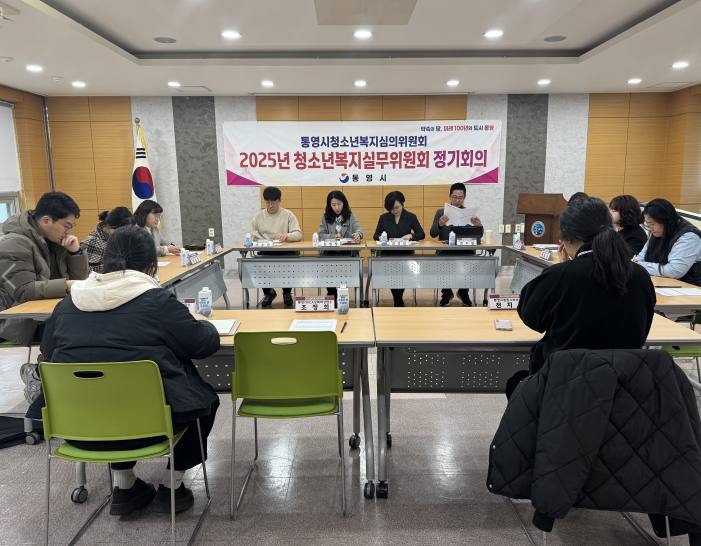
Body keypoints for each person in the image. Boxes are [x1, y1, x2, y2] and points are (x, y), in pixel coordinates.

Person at [29, 226, 220, 516]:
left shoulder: (68, 304)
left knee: (106, 395)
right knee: (204, 401)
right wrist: (202, 323)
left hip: (77, 428)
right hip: (149, 428)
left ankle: (125, 486)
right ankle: (172, 486)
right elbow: (202, 345)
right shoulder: (157, 301)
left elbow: (49, 352)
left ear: (105, 262)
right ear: (151, 267)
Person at [517, 197, 655, 374]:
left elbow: (531, 318)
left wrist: (563, 268)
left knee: (517, 380)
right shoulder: (641, 275)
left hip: (563, 379)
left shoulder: (561, 275)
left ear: (567, 237)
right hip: (624, 380)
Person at [0, 191, 89, 348]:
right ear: (46, 220)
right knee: (82, 329)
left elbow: (79, 281)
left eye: (71, 227)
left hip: (44, 314)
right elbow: (23, 291)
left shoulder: (54, 242)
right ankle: (50, 364)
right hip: (16, 323)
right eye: (66, 226)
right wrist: (67, 285)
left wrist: (75, 253)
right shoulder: (12, 244)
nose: (69, 232)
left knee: (92, 322)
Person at [429, 182, 482, 307]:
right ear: (449, 196)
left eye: (460, 198)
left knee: (470, 261)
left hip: (464, 249)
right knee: (442, 261)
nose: (457, 200)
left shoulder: (469, 213)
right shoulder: (441, 212)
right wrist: (440, 224)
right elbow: (432, 233)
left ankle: (463, 292)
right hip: (445, 250)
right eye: (454, 197)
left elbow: (479, 236)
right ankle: (446, 293)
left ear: (464, 198)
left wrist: (478, 226)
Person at [251, 186, 303, 308]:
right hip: (266, 250)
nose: (270, 205)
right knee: (258, 263)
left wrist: (286, 235)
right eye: (267, 202)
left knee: (288, 262)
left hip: (284, 251)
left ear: (280, 201)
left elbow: (298, 234)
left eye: (273, 202)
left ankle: (287, 293)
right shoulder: (259, 217)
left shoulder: (288, 215)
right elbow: (253, 233)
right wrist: (254, 238)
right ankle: (269, 293)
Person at [373, 191, 425, 307]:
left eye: (397, 207)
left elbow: (421, 234)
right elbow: (376, 235)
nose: (394, 211)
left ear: (402, 204)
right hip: (388, 254)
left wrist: (411, 235)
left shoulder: (410, 217)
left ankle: (398, 298)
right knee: (392, 273)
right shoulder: (384, 218)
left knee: (403, 272)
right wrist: (380, 237)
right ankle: (397, 299)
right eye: (391, 209)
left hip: (405, 253)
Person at [634, 198, 701, 285]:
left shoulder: (689, 237)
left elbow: (674, 271)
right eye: (648, 224)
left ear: (666, 221)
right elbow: (642, 256)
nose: (650, 229)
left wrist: (640, 265)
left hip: (687, 286)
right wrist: (637, 262)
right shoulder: (657, 231)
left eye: (652, 224)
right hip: (662, 282)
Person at [318, 191, 363, 303]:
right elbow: (321, 235)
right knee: (328, 268)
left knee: (345, 273)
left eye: (339, 204)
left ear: (344, 203)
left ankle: (342, 293)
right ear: (329, 205)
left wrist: (358, 234)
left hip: (346, 253)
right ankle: (331, 292)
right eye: (333, 205)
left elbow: (359, 228)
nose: (337, 207)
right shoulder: (325, 218)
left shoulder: (351, 216)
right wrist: (332, 236)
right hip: (329, 253)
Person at [81, 207, 135, 273]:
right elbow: (85, 272)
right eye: (120, 230)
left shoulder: (123, 237)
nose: (124, 234)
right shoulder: (91, 242)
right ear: (109, 225)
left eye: (128, 231)